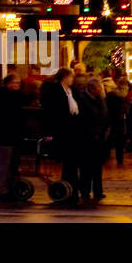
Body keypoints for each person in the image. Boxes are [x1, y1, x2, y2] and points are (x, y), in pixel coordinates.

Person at [41, 68, 81, 204]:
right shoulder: (55, 91)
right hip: (62, 132)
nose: (72, 79)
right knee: (69, 161)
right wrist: (49, 132)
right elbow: (51, 112)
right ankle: (70, 190)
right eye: (70, 77)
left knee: (71, 162)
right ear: (64, 77)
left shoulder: (73, 91)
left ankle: (70, 188)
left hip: (73, 132)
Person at [0, 73, 26, 201]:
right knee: (5, 163)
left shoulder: (15, 97)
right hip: (4, 135)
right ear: (8, 84)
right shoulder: (1, 98)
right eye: (16, 83)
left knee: (13, 163)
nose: (18, 85)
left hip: (13, 135)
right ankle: (5, 190)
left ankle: (12, 188)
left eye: (19, 83)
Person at [78, 76, 109, 202]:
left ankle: (98, 190)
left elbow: (104, 115)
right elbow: (84, 119)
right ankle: (85, 190)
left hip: (99, 137)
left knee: (97, 165)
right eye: (99, 87)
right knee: (86, 166)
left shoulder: (100, 99)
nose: (101, 89)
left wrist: (104, 130)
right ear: (92, 88)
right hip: (87, 137)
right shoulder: (83, 99)